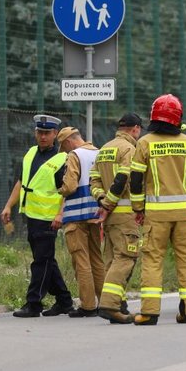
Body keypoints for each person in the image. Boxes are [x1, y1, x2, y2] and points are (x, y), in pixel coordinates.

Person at [129, 94, 186, 325]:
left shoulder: (144, 143)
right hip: (184, 215)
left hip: (157, 214)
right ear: (177, 118)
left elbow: (135, 179)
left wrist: (137, 207)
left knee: (153, 260)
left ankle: (150, 312)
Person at [1, 114, 74, 317]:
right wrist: (8, 206)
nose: (43, 136)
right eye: (40, 132)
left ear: (55, 135)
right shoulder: (30, 153)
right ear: (35, 133)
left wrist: (60, 214)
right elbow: (21, 182)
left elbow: (66, 190)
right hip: (31, 216)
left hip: (49, 219)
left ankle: (33, 303)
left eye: (47, 133)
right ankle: (64, 301)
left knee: (41, 261)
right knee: (46, 260)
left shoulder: (62, 159)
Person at [90, 113, 144, 324]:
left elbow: (93, 180)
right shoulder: (129, 149)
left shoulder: (104, 149)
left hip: (110, 217)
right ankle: (110, 305)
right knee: (126, 258)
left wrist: (102, 200)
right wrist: (110, 202)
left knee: (111, 260)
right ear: (136, 129)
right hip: (124, 215)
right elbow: (123, 178)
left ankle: (119, 304)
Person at [55, 127, 104, 318]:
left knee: (81, 261)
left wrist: (60, 189)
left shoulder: (74, 155)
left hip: (76, 216)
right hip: (95, 213)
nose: (65, 151)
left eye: (64, 147)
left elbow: (70, 185)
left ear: (68, 142)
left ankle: (88, 306)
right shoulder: (99, 152)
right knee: (97, 260)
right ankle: (106, 302)